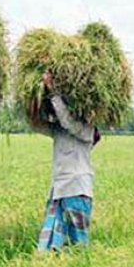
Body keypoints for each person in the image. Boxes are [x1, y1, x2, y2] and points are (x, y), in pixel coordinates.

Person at [33, 70, 99, 251]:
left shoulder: (86, 130)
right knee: (49, 248)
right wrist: (35, 101)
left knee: (77, 246)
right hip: (58, 191)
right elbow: (38, 124)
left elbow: (67, 121)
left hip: (77, 190)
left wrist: (53, 92)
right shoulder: (60, 129)